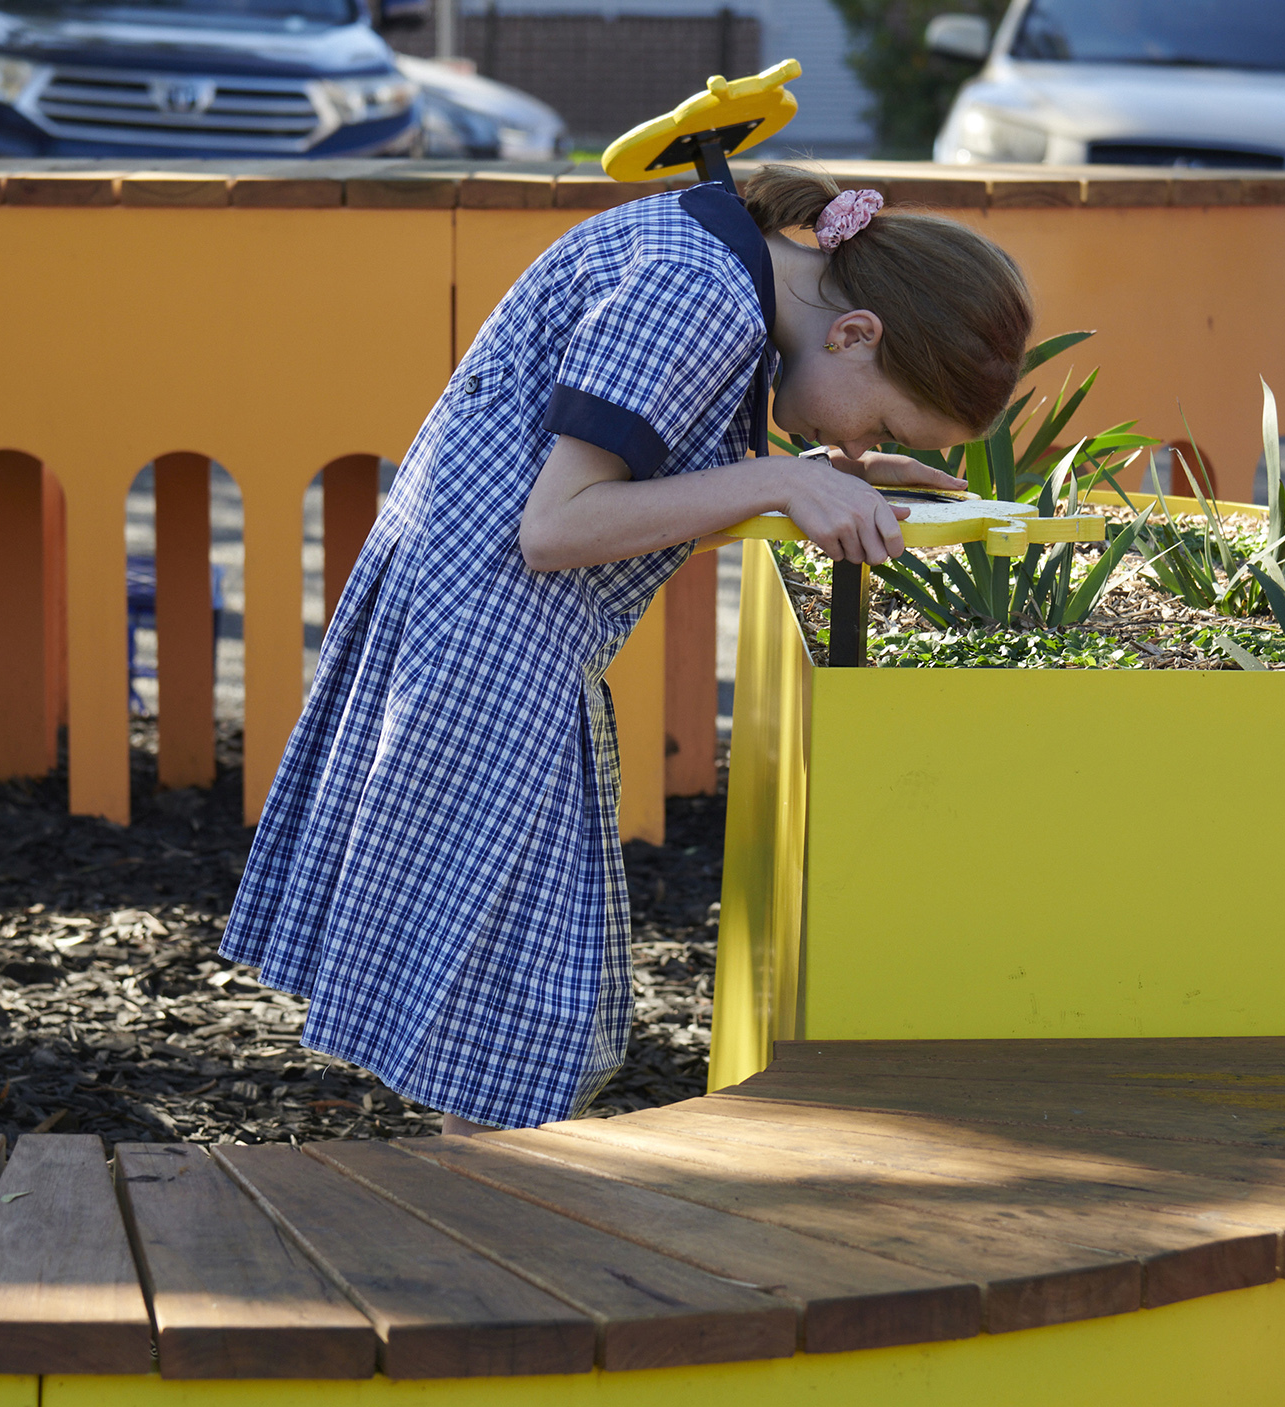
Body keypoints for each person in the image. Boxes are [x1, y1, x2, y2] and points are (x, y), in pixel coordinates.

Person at [220, 163, 1034, 1141]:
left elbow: (643, 481)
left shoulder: (717, 265)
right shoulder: (698, 295)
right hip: (490, 651)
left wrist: (814, 476)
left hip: (484, 632)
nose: (863, 448)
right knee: (519, 1023)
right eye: (884, 425)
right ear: (856, 332)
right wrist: (778, 479)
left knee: (505, 1012)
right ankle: (474, 1214)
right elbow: (556, 527)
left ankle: (470, 1203)